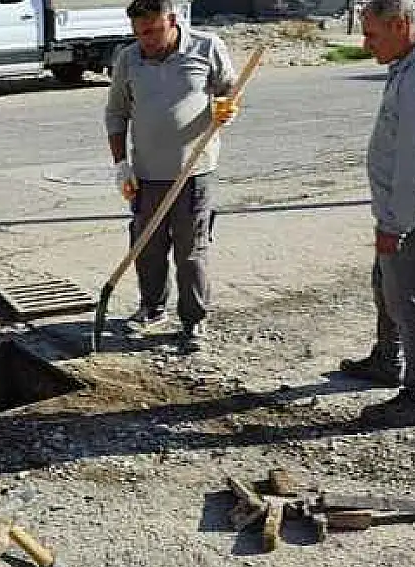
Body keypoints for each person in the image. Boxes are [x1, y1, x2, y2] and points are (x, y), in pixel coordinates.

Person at [339, 0, 415, 426]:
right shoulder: (413, 63)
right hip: (402, 209)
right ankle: (387, 360)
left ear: (401, 25)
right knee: (385, 286)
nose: (365, 44)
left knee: (411, 302)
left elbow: (414, 163)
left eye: (372, 35)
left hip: (413, 214)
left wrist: (396, 226)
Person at [104, 0, 238, 350]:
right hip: (146, 175)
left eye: (151, 30)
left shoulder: (207, 47)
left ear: (172, 20)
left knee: (190, 251)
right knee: (146, 247)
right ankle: (152, 308)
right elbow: (116, 114)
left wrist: (225, 108)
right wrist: (121, 166)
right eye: (137, 33)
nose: (144, 40)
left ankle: (193, 320)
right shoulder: (128, 59)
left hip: (194, 172)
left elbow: (228, 89)